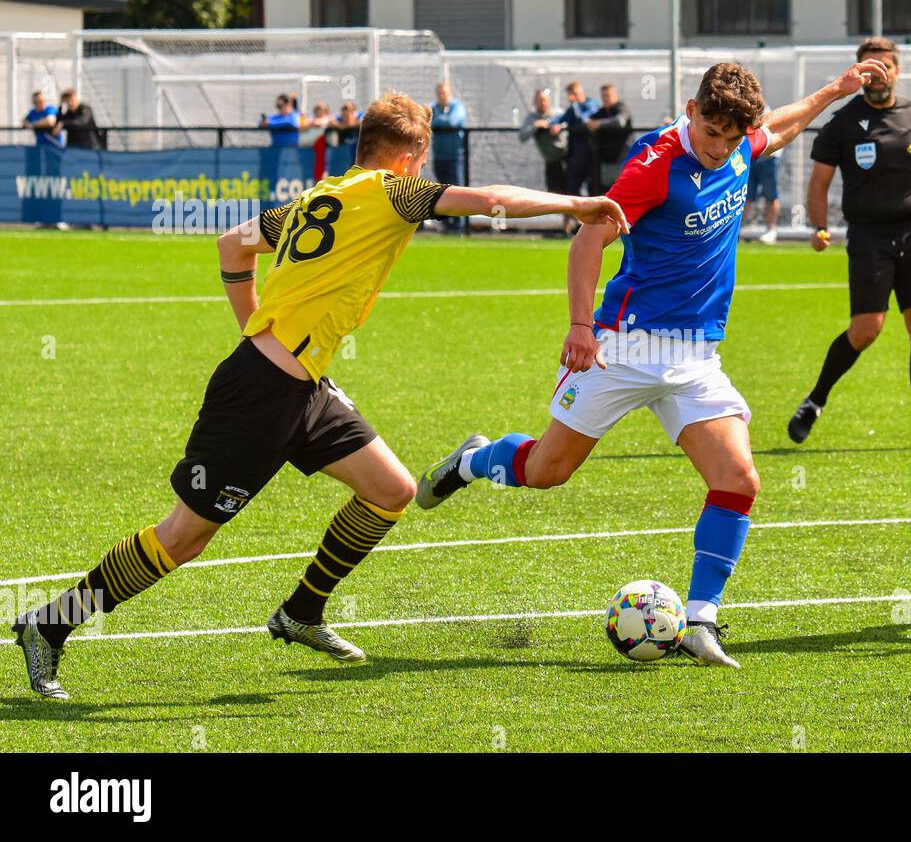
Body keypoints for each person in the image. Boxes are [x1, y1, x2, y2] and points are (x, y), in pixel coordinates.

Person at [10, 91, 630, 700]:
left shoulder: (319, 195)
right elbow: (493, 200)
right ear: (412, 156)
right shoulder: (392, 191)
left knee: (391, 490)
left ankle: (301, 611)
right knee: (184, 538)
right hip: (259, 394)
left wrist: (260, 333)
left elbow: (232, 246)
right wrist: (578, 202)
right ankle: (49, 624)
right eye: (423, 159)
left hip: (300, 385)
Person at [416, 57, 890, 670]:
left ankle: (699, 620)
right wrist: (582, 327)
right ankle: (476, 459)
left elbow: (783, 125)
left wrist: (833, 90)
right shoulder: (654, 165)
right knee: (546, 471)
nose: (720, 149)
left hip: (694, 357)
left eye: (730, 137)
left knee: (739, 480)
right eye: (711, 134)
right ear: (691, 112)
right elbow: (589, 236)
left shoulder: (741, 142)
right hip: (624, 347)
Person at [788, 37, 911, 450]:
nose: (877, 75)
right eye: (869, 69)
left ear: (897, 71)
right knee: (867, 329)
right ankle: (815, 401)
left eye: (884, 67)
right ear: (858, 73)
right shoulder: (842, 123)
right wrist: (818, 227)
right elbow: (819, 181)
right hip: (869, 236)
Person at [557, 81, 601, 232]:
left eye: (573, 94)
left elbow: (585, 120)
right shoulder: (572, 109)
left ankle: (593, 223)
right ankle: (574, 223)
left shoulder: (592, 105)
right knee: (571, 188)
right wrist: (552, 123)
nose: (571, 97)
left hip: (592, 157)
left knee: (592, 190)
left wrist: (574, 106)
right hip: (575, 156)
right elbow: (560, 118)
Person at [431, 81, 469, 232]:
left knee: (458, 190)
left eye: (444, 92)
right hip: (439, 157)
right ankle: (447, 224)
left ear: (450, 93)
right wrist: (439, 122)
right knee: (443, 192)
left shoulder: (457, 107)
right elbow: (428, 120)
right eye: (439, 93)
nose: (442, 95)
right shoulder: (434, 108)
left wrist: (439, 122)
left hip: (455, 157)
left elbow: (454, 121)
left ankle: (460, 224)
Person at [519, 88, 567, 198]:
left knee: (571, 191)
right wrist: (535, 126)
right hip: (551, 162)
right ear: (534, 102)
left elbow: (570, 122)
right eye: (540, 100)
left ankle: (569, 215)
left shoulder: (558, 113)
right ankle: (565, 216)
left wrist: (559, 127)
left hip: (567, 159)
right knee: (555, 194)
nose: (543, 103)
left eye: (545, 100)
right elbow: (522, 136)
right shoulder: (532, 118)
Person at [586, 84, 633, 195]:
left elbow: (620, 122)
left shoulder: (621, 107)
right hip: (605, 163)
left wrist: (598, 124)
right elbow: (588, 122)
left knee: (621, 193)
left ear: (615, 95)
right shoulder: (601, 112)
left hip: (621, 161)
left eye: (608, 95)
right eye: (604, 96)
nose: (606, 98)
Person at [744, 144, 781, 243]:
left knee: (771, 196)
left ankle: (771, 231)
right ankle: (735, 230)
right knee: (744, 195)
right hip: (749, 155)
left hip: (769, 157)